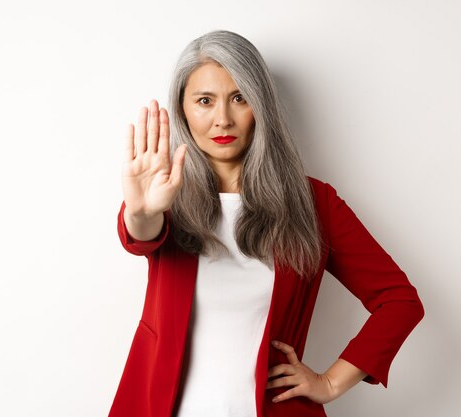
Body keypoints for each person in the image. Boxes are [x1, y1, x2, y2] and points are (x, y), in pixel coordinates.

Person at [108, 30, 424, 417]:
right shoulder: (164, 197)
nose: (222, 119)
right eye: (204, 101)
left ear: (261, 104)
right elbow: (141, 236)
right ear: (183, 109)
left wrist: (330, 382)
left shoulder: (314, 203)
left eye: (240, 98)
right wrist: (140, 212)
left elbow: (399, 301)